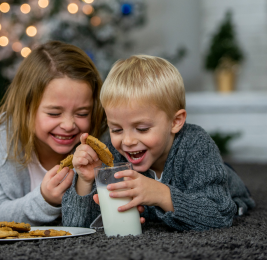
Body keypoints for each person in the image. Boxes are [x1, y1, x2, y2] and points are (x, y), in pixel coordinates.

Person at [62, 55, 255, 231]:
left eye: (143, 128)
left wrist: (161, 194)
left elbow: (219, 214)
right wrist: (85, 181)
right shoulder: (114, 154)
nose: (127, 141)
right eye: (117, 129)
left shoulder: (197, 145)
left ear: (175, 121)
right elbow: (75, 225)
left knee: (232, 198)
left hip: (220, 181)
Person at [0, 41, 106, 226]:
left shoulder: (97, 143)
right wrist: (45, 199)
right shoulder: (1, 145)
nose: (68, 125)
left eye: (82, 113)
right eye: (54, 113)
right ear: (26, 108)